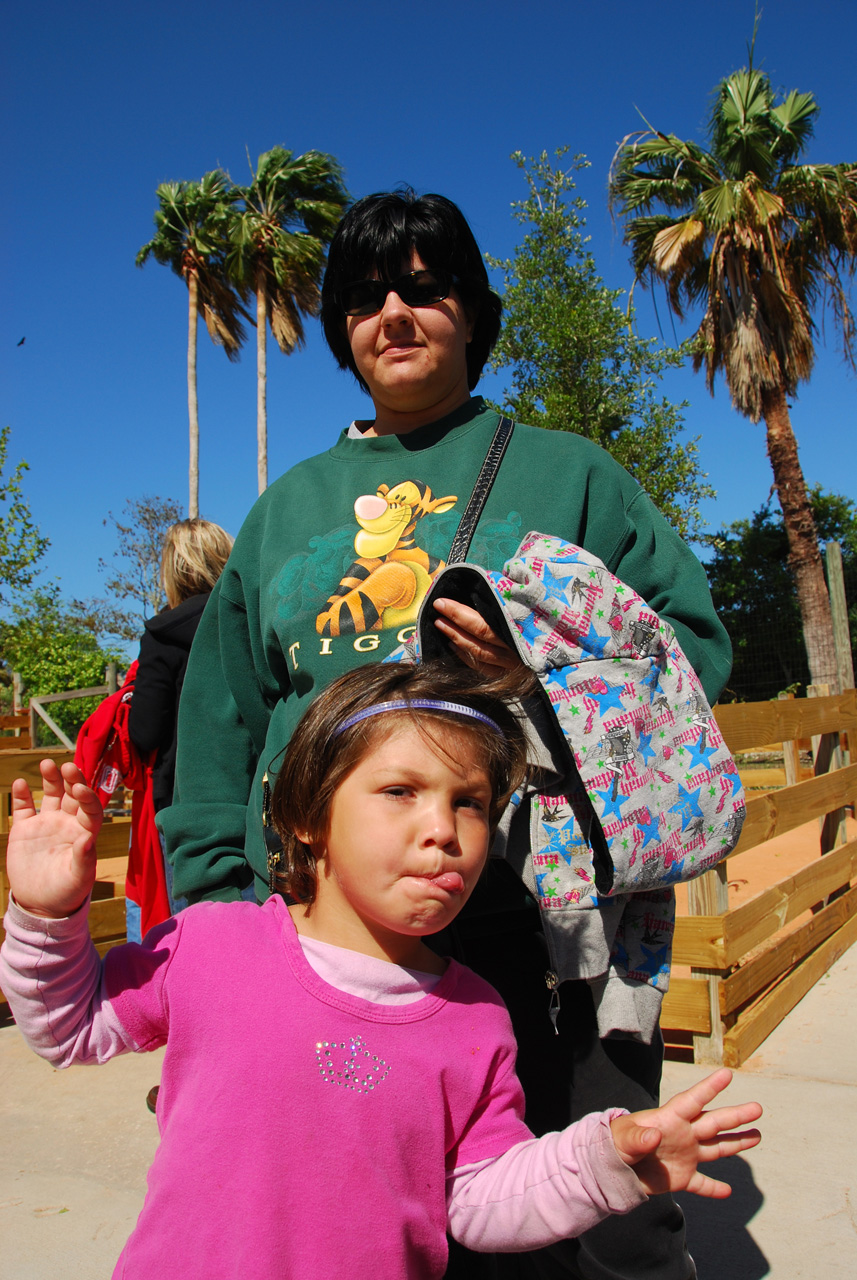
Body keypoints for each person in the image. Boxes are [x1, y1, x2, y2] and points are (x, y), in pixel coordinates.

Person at [159, 189, 734, 1278]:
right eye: (365, 295)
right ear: (340, 329)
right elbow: (220, 719)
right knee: (354, 1215)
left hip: (542, 926)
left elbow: (690, 652)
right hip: (319, 932)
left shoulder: (569, 475)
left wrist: (535, 670)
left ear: (472, 311)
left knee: (589, 1217)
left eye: (425, 286)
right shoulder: (287, 508)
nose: (394, 309)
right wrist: (219, 913)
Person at [1, 663, 761, 1280]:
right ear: (306, 814)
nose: (443, 831)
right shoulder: (211, 944)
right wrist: (45, 918)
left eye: (470, 803)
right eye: (400, 791)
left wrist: (601, 1161)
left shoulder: (475, 1018)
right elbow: (71, 1030)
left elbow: (479, 1198)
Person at [125, 518, 233, 939]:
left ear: (174, 569)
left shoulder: (163, 635)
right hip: (255, 797)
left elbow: (146, 733)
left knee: (186, 932)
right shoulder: (249, 622)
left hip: (183, 800)